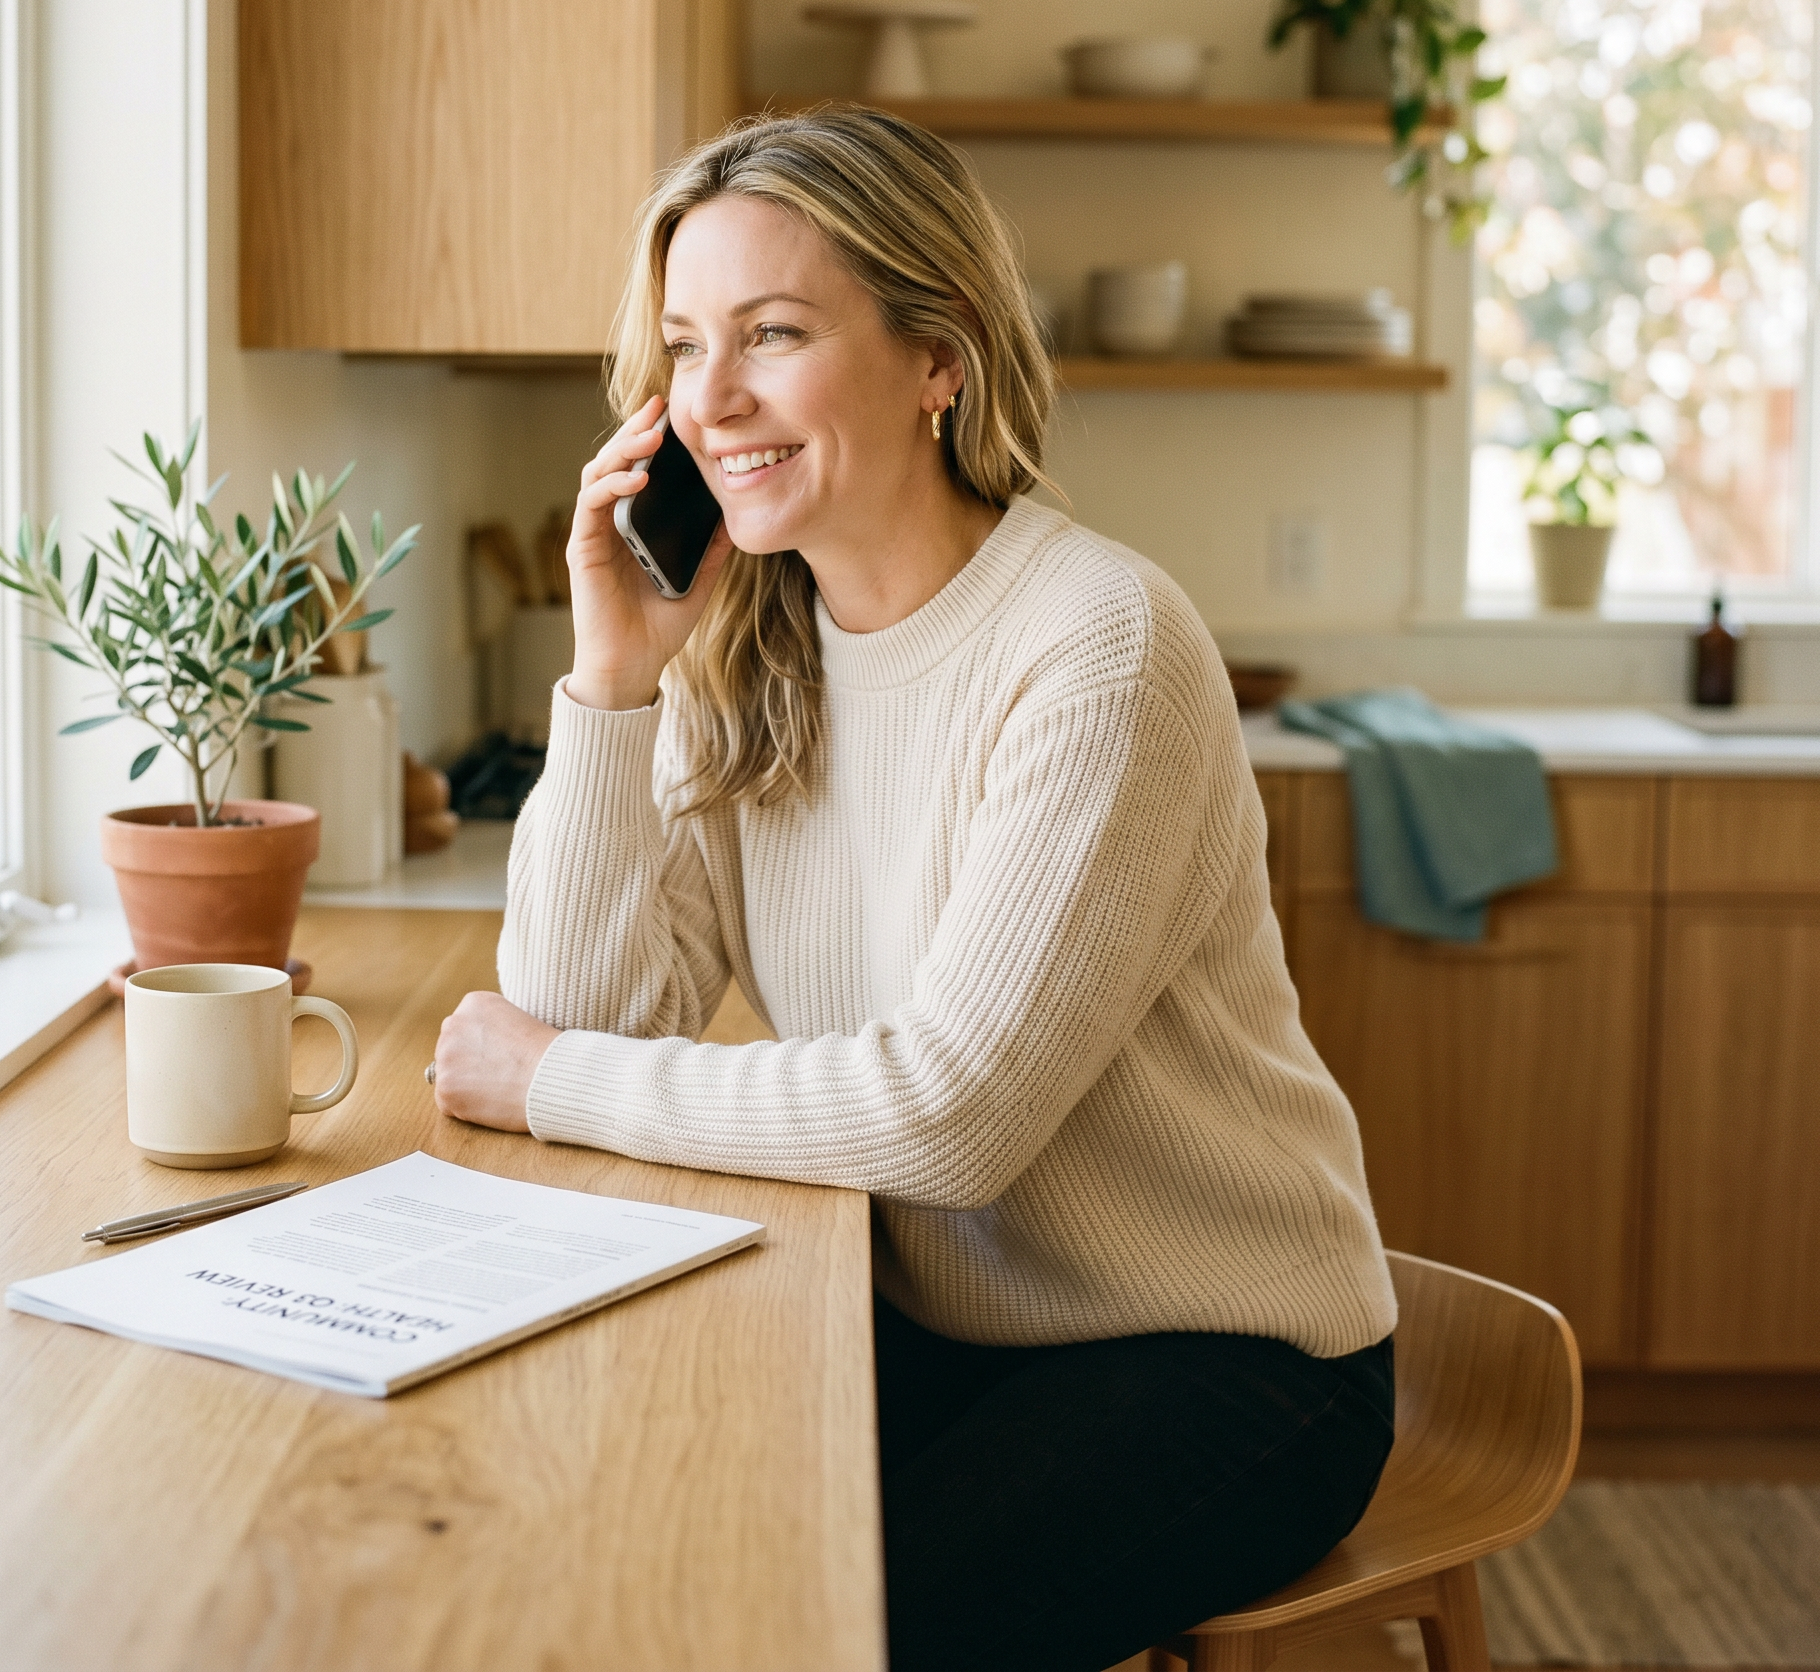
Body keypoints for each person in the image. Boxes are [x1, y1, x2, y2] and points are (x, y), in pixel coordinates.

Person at [431, 106, 1398, 1672]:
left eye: (776, 334)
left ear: (937, 357)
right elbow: (583, 1015)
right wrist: (608, 680)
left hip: (1229, 1355)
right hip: (943, 1319)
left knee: (835, 1636)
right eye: (684, 346)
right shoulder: (741, 645)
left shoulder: (1098, 644)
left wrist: (552, 1078)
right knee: (635, 1534)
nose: (713, 400)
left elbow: (948, 1116)